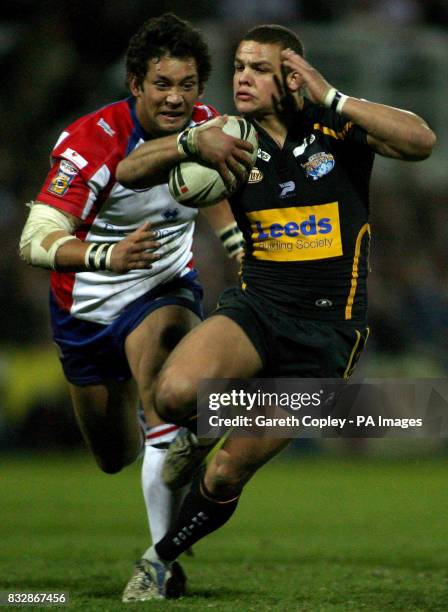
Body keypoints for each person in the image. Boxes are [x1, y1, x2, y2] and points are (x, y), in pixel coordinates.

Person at [115, 23, 436, 598]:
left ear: (291, 77)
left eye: (258, 68)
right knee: (172, 394)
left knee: (225, 472)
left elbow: (421, 141)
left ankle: (158, 560)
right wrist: (191, 143)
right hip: (258, 310)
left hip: (327, 337)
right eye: (239, 65)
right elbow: (129, 170)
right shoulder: (225, 136)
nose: (242, 76)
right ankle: (199, 430)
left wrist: (332, 95)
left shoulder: (335, 125)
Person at [18, 13, 254, 603]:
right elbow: (34, 240)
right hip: (86, 307)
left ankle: (162, 563)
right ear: (135, 85)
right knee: (114, 455)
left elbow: (211, 188)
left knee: (166, 395)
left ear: (201, 88)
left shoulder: (208, 126)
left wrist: (235, 246)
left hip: (163, 290)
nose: (176, 98)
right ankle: (170, 479)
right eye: (162, 85)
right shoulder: (89, 141)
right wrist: (106, 254)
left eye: (188, 85)